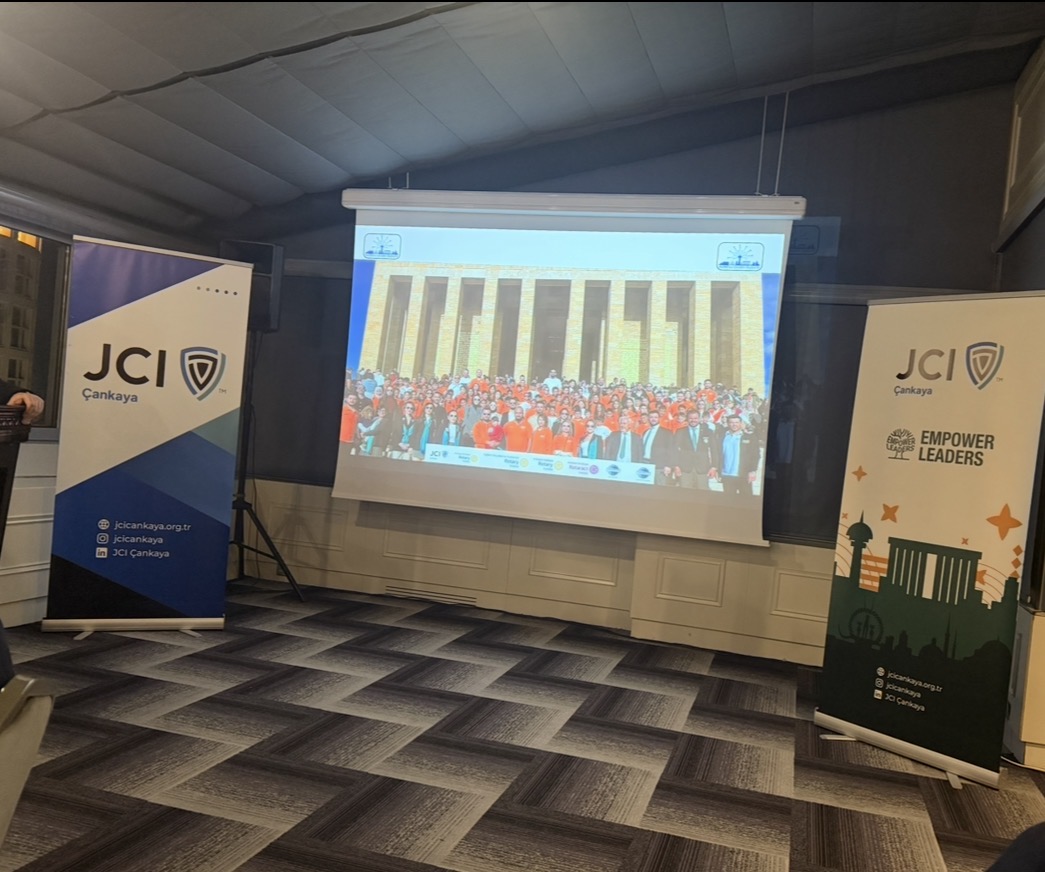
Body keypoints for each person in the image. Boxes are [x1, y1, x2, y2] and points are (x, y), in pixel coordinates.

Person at [674, 410, 720, 489]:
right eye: (690, 418)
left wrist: (714, 467)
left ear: (699, 419)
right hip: (685, 469)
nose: (693, 420)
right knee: (685, 493)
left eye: (695, 418)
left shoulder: (708, 432)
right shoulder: (680, 432)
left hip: (702, 469)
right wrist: (676, 466)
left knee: (702, 493)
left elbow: (714, 450)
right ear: (687, 419)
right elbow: (674, 450)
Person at [717, 414, 761, 495]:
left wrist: (752, 470)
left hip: (743, 475)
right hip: (727, 475)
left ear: (741, 423)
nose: (734, 424)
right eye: (731, 422)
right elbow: (718, 455)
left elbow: (755, 455)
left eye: (736, 422)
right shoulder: (722, 437)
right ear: (728, 423)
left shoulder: (750, 437)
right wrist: (718, 471)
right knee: (729, 500)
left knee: (746, 500)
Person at [640, 409, 676, 485]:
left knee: (659, 488)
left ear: (659, 418)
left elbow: (671, 450)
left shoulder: (666, 433)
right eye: (651, 417)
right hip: (645, 464)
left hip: (659, 466)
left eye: (655, 417)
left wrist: (668, 465)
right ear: (648, 418)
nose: (653, 419)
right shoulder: (646, 432)